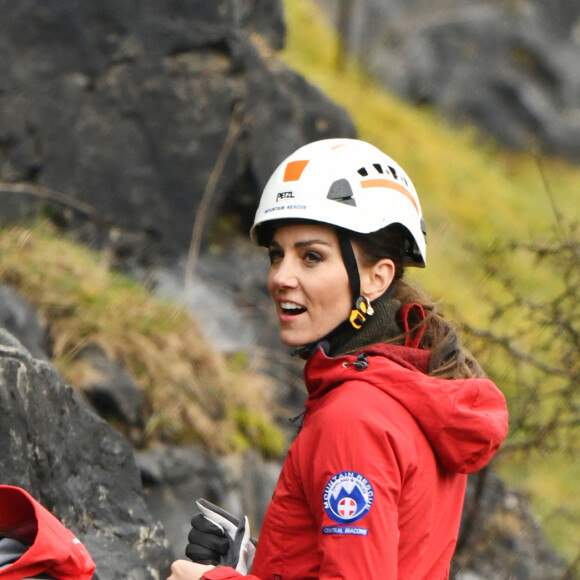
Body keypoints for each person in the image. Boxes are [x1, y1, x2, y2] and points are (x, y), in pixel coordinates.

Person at [168, 138, 508, 580]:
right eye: (277, 255)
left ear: (376, 276)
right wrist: (250, 562)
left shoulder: (354, 419)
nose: (280, 277)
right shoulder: (414, 393)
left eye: (311, 257)